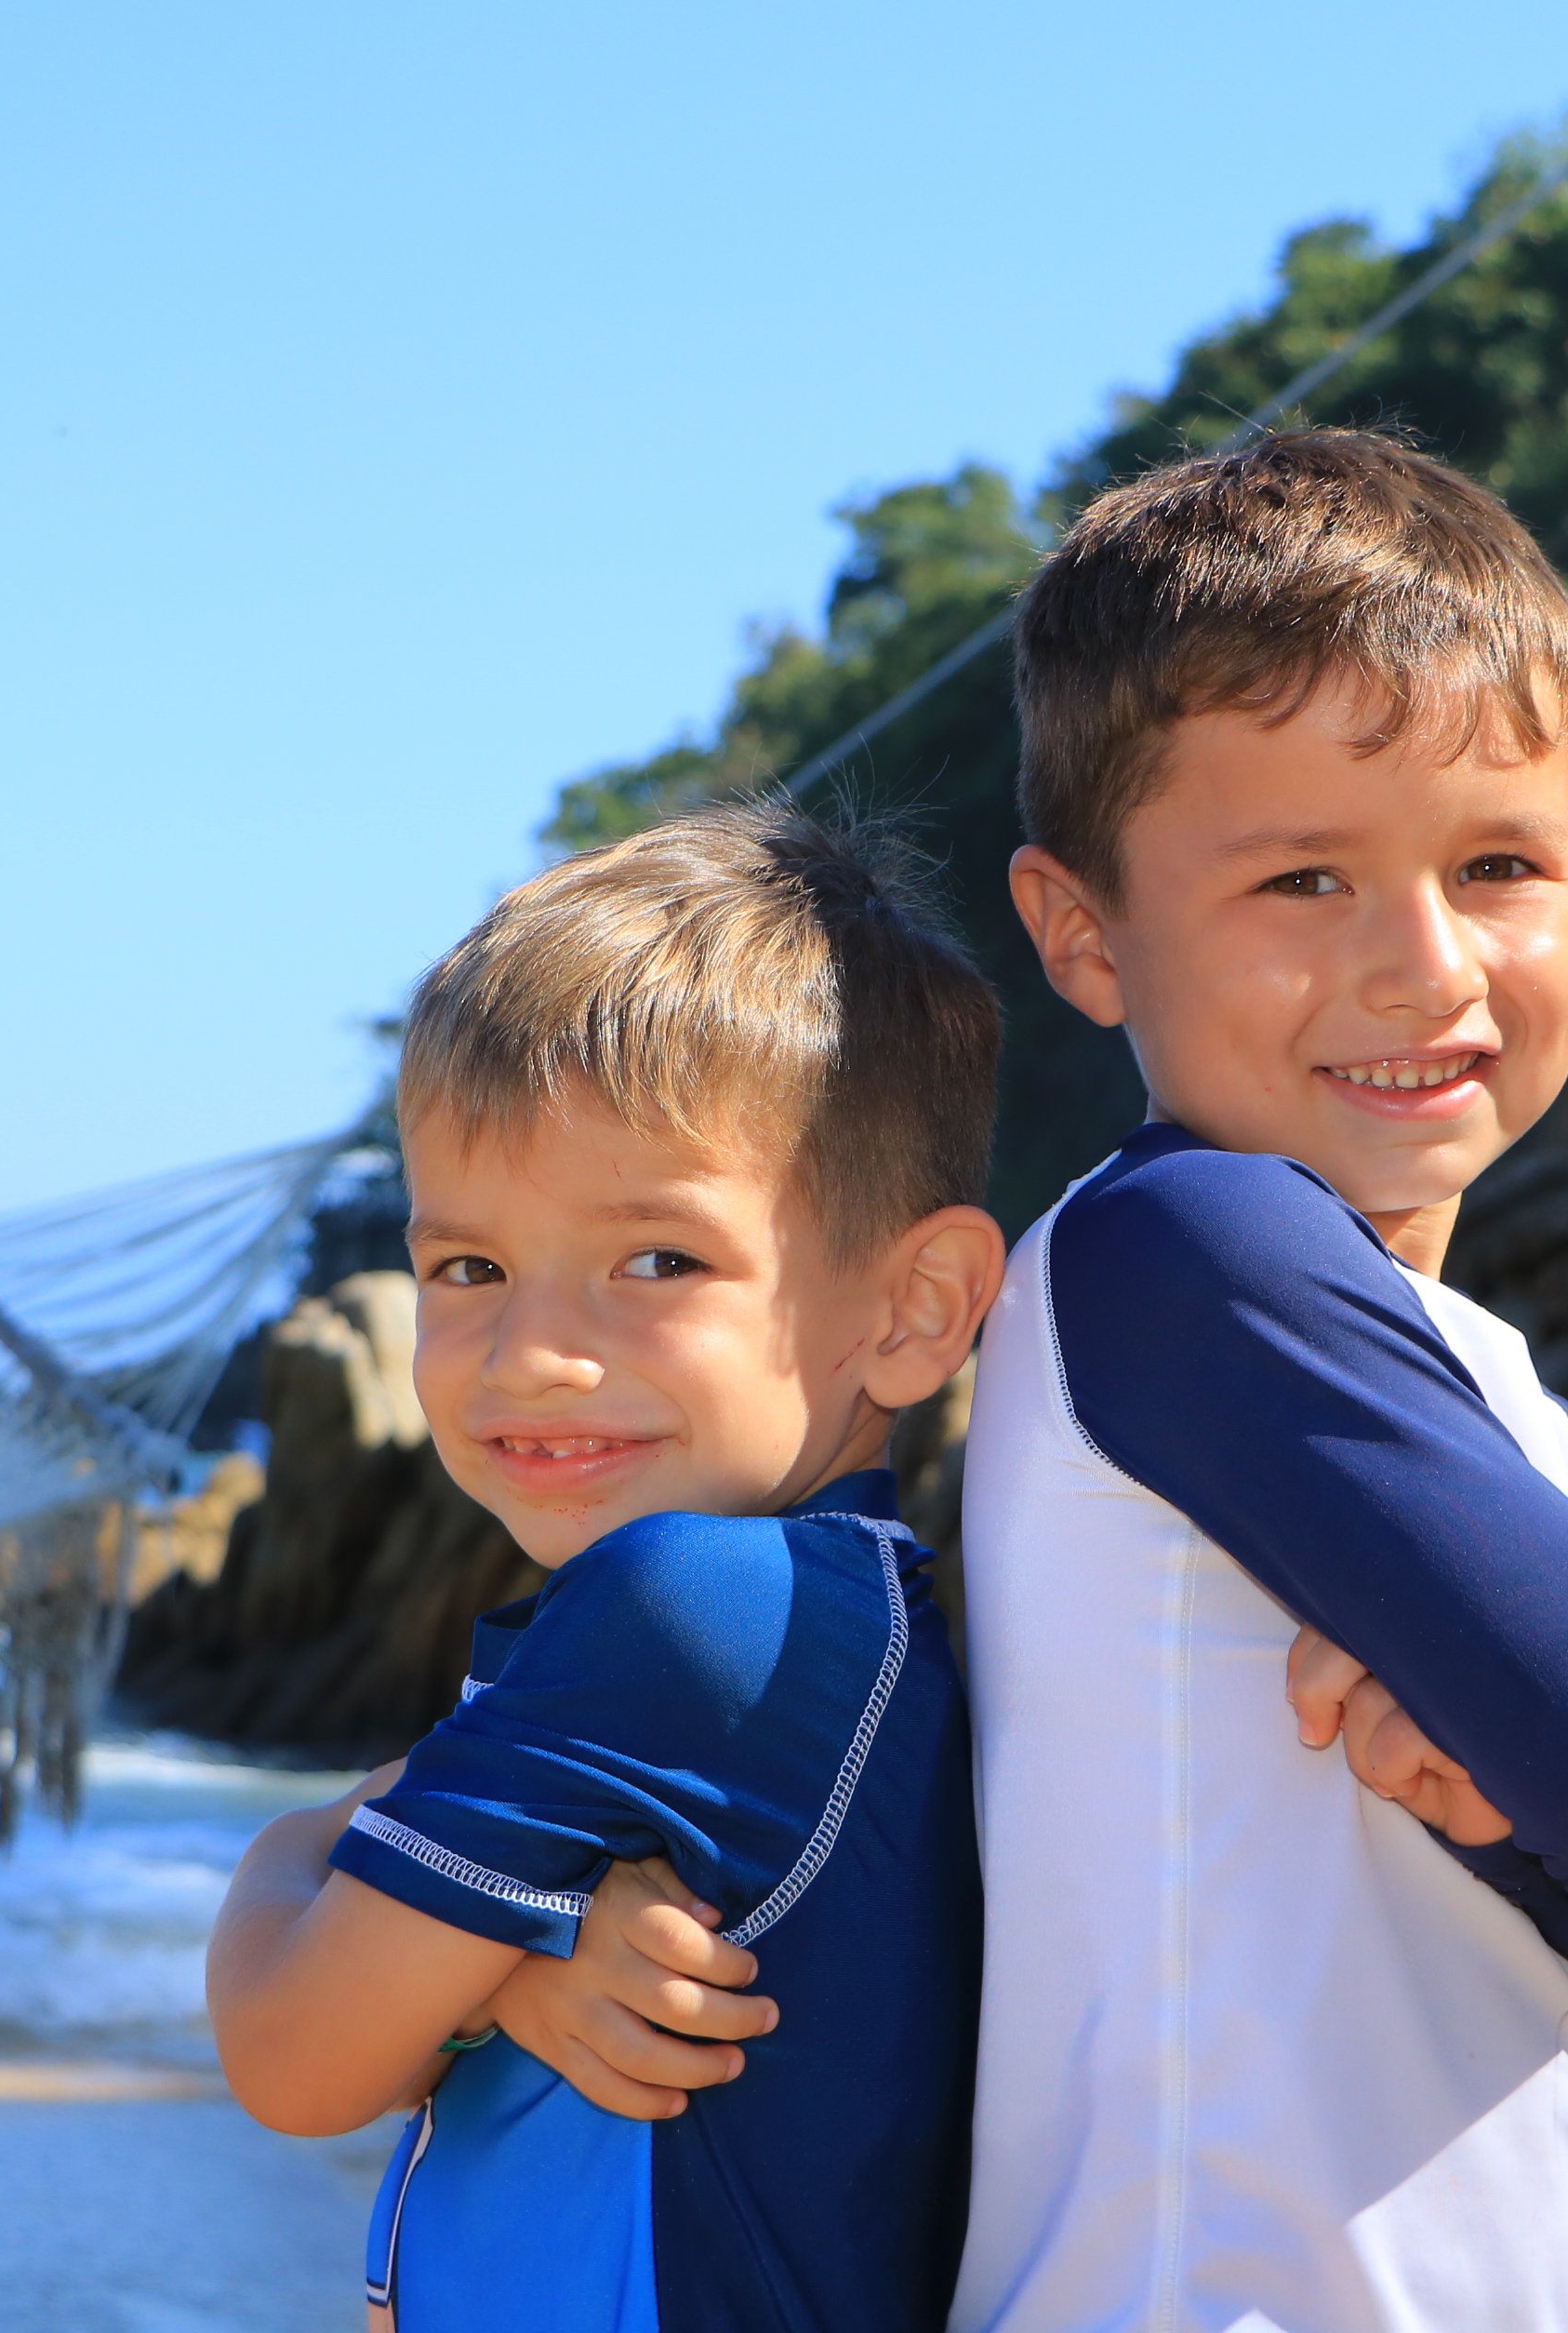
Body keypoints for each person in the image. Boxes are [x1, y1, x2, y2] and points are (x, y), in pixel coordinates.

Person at [949, 429, 1568, 2331]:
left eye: (1499, 863)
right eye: (1303, 879)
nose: (1426, 966)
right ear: (1082, 932)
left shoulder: (1481, 1372)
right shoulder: (1182, 1250)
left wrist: (1513, 1816)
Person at [205, 801, 1005, 2333]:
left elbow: (294, 2057)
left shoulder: (693, 1611)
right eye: (470, 1266)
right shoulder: (844, 1626)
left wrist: (290, 1852)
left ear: (914, 1306)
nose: (531, 1353)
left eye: (658, 1260)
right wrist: (511, 1959)